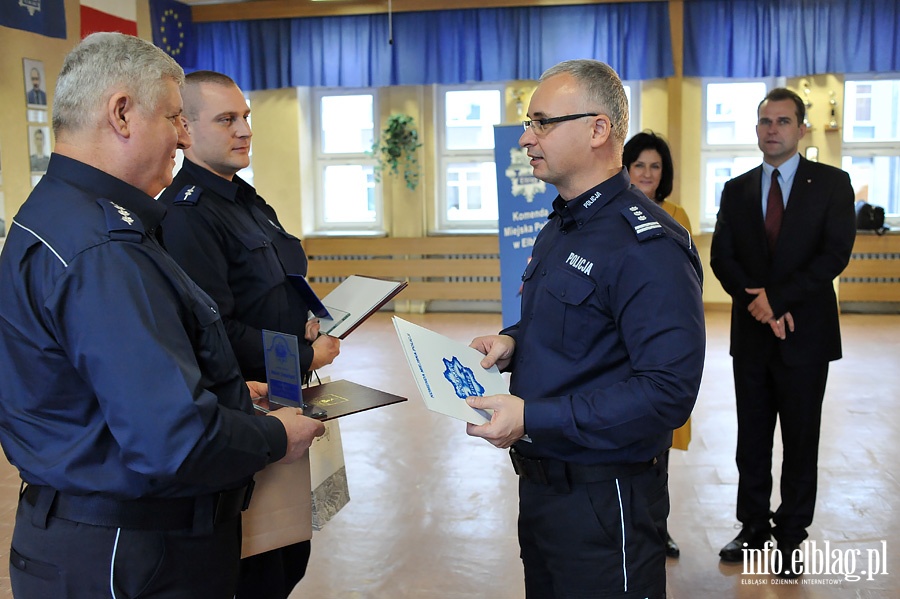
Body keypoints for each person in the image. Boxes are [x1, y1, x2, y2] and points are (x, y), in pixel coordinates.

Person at [0, 33, 325, 599]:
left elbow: (109, 387)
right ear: (122, 113)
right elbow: (172, 440)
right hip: (130, 551)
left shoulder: (56, 212)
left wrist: (223, 396)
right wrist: (275, 435)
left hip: (90, 535)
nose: (183, 135)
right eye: (175, 117)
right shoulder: (102, 248)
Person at [466, 59, 706, 598]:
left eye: (543, 122)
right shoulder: (562, 225)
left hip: (607, 498)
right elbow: (572, 326)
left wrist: (533, 415)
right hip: (544, 490)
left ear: (599, 129)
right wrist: (514, 341)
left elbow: (668, 393)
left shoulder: (648, 246)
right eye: (529, 123)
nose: (527, 137)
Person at [158, 70, 341, 599]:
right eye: (226, 119)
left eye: (245, 118)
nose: (244, 130)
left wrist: (304, 320)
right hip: (245, 409)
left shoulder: (245, 201)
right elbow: (215, 332)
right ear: (186, 129)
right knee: (257, 565)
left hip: (283, 395)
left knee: (288, 554)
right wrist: (304, 352)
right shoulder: (187, 215)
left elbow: (275, 288)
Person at [710, 88, 856, 578]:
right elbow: (721, 258)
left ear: (801, 128)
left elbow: (834, 254)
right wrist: (759, 305)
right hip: (752, 337)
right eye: (764, 121)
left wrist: (779, 299)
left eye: (782, 121)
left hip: (806, 336)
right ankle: (752, 528)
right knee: (751, 439)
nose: (771, 129)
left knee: (800, 440)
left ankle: (791, 538)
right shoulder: (736, 189)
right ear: (756, 130)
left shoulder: (833, 185)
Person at [623, 129, 692, 559]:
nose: (647, 173)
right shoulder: (612, 212)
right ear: (625, 169)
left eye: (655, 166)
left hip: (659, 344)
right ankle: (625, 525)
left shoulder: (675, 215)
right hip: (618, 347)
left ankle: (656, 528)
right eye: (639, 165)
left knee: (658, 447)